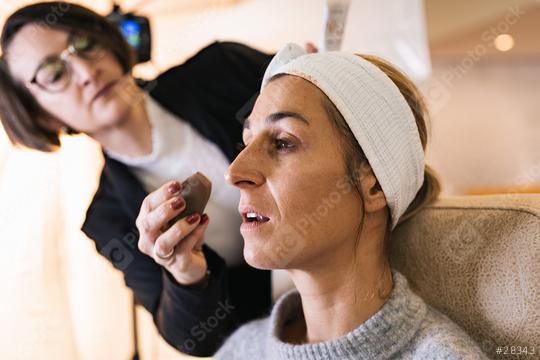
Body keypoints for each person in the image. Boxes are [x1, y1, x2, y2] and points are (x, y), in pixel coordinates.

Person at [0, 2, 274, 356]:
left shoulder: (221, 68)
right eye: (54, 73)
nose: (85, 71)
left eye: (82, 44)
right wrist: (184, 273)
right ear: (39, 115)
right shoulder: (108, 219)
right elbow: (196, 340)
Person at [211, 44, 488, 359]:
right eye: (246, 142)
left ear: (373, 187)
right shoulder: (240, 350)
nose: (234, 172)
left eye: (283, 142)